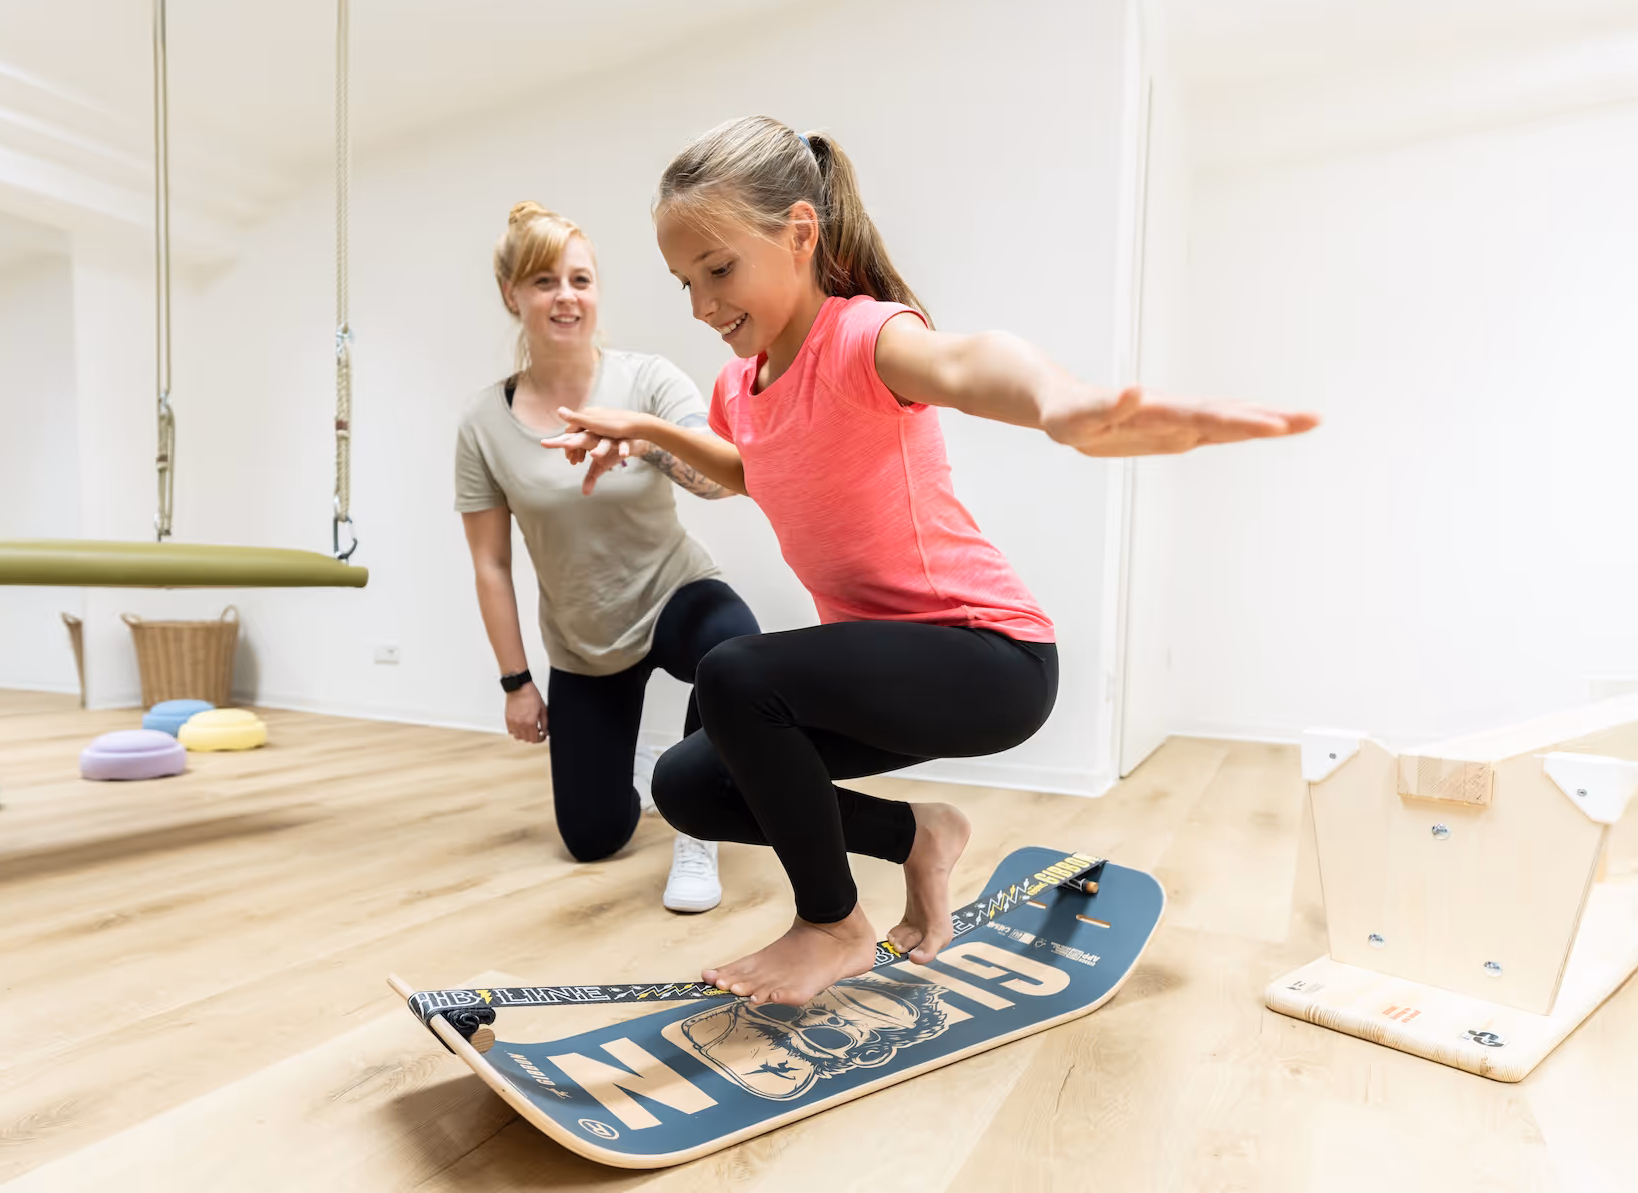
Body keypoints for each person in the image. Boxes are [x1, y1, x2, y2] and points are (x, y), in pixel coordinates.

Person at [545, 116, 1317, 1003]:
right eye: (686, 281)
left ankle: (832, 925)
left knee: (731, 674)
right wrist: (647, 431)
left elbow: (967, 360)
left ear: (800, 234)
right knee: (691, 784)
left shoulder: (864, 337)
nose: (702, 305)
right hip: (888, 673)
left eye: (718, 270)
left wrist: (1059, 401)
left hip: (991, 657)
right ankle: (922, 836)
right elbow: (749, 476)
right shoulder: (740, 384)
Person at [455, 201, 759, 912]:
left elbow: (724, 480)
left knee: (737, 658)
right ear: (513, 295)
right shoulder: (483, 424)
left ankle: (697, 826)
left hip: (674, 594)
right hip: (584, 640)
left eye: (581, 280)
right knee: (591, 837)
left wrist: (646, 439)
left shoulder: (647, 381)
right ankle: (648, 770)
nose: (566, 296)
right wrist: (515, 684)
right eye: (544, 281)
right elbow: (490, 565)